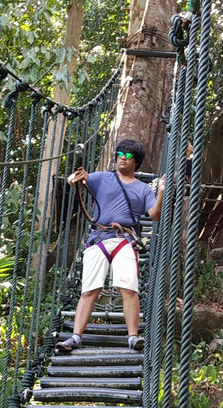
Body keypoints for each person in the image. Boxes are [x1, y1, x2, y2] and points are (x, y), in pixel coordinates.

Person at [57, 138, 164, 353]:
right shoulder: (103, 178)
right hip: (99, 238)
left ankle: (133, 337)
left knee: (129, 289)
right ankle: (76, 337)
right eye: (119, 154)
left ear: (137, 162)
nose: (121, 159)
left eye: (127, 156)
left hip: (125, 240)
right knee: (89, 289)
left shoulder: (143, 189)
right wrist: (73, 179)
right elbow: (76, 179)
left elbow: (154, 214)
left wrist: (161, 191)